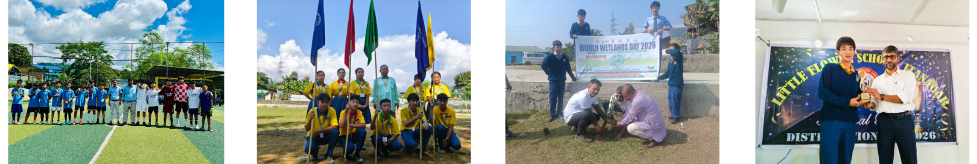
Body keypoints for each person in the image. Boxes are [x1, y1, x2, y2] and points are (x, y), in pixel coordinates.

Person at [818, 36, 869, 164]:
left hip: (850, 121)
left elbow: (858, 95)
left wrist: (865, 99)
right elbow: (823, 93)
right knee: (829, 159)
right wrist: (848, 102)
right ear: (838, 52)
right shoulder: (830, 68)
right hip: (831, 120)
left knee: (846, 159)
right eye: (844, 48)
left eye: (850, 49)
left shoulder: (857, 75)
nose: (848, 52)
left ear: (854, 52)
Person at [863, 45, 918, 164]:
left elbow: (906, 98)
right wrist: (869, 105)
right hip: (884, 122)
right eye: (885, 57)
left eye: (892, 56)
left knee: (909, 159)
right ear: (882, 59)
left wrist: (881, 96)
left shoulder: (908, 75)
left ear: (898, 58)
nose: (888, 60)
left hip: (904, 121)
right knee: (884, 159)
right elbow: (875, 103)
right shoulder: (877, 80)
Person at [541, 40, 577, 122]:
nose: (559, 48)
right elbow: (543, 65)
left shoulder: (564, 57)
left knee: (560, 97)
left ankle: (560, 113)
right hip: (553, 81)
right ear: (554, 47)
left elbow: (568, 68)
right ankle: (552, 113)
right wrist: (548, 73)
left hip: (562, 80)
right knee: (552, 97)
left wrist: (572, 77)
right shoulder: (550, 56)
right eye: (557, 47)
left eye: (560, 47)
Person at [304, 94, 339, 163]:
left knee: (335, 132)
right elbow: (307, 129)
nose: (324, 104)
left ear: (329, 103)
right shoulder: (312, 111)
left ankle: (329, 154)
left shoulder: (331, 110)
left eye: (326, 102)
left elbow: (335, 126)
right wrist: (310, 119)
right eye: (322, 102)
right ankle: (315, 153)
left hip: (326, 135)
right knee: (308, 149)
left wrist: (319, 131)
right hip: (315, 136)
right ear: (317, 103)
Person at [657, 43, 685, 124]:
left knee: (676, 101)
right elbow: (668, 72)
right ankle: (673, 114)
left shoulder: (679, 57)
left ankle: (676, 117)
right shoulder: (671, 60)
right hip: (671, 84)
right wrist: (660, 77)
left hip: (677, 84)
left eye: (671, 49)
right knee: (671, 100)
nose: (669, 51)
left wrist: (666, 50)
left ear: (676, 49)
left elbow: (676, 52)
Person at [338, 94, 367, 163]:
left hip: (354, 134)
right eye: (353, 102)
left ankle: (357, 154)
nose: (355, 104)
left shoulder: (359, 112)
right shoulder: (343, 112)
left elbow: (363, 125)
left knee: (362, 131)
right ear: (348, 103)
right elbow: (341, 125)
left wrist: (350, 125)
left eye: (357, 102)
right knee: (350, 149)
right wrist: (346, 111)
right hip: (344, 136)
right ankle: (346, 151)